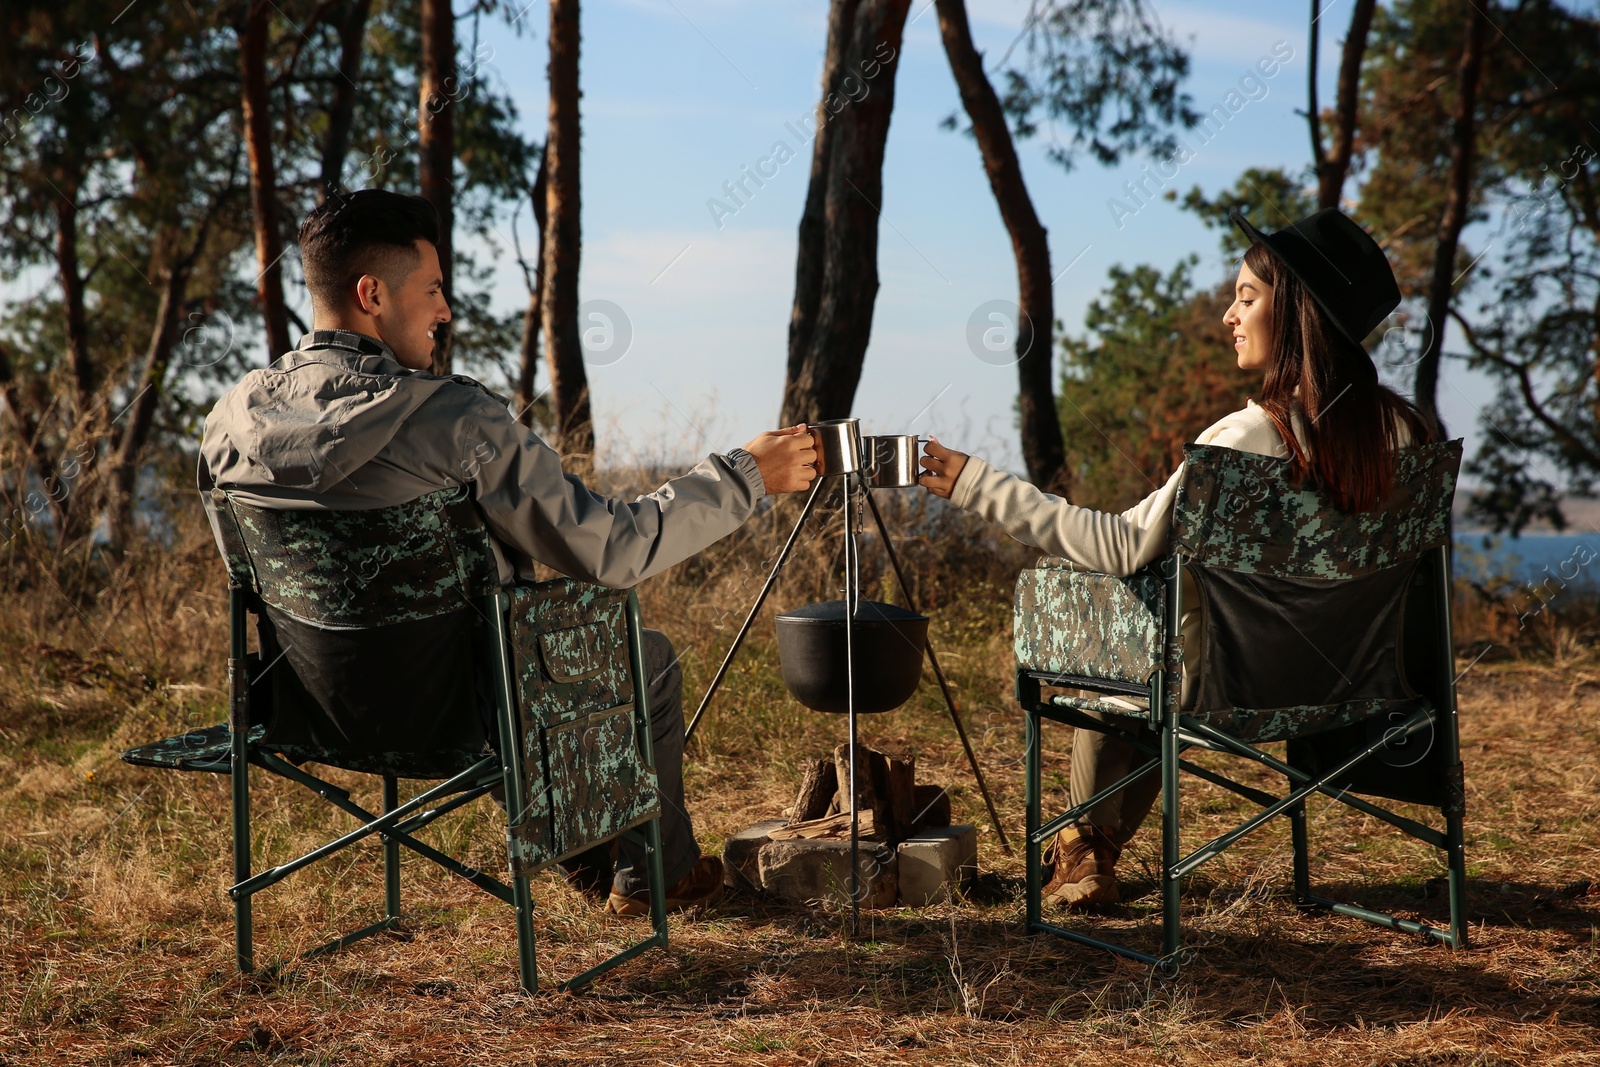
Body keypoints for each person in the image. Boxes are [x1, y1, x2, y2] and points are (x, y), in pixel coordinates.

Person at [199, 189, 817, 917]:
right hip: (465, 716)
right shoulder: (455, 420)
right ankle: (655, 874)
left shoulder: (231, 421)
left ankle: (598, 861)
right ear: (371, 294)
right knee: (645, 658)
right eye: (431, 289)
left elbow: (253, 581)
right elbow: (614, 550)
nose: (445, 311)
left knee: (497, 659)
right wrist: (746, 475)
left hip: (308, 711)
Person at [919, 208, 1431, 907]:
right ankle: (1086, 850)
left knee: (1117, 612)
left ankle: (1079, 848)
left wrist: (975, 483)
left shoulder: (1249, 433)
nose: (1229, 314)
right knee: (1159, 638)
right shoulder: (1409, 434)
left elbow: (1120, 544)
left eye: (1247, 297)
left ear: (1300, 315)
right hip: (1355, 693)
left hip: (1225, 695)